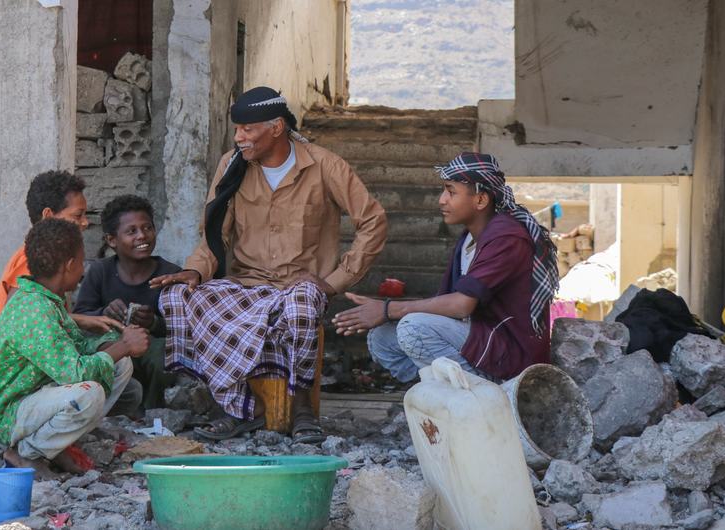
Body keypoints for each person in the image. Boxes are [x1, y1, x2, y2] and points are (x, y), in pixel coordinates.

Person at [151, 86, 388, 443]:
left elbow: (373, 221)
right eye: (236, 130)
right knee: (178, 297)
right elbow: (216, 235)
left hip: (300, 287)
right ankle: (238, 406)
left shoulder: (325, 165)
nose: (239, 137)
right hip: (246, 285)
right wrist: (195, 271)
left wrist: (336, 280)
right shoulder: (232, 166)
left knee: (303, 302)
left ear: (276, 128)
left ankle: (302, 407)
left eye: (247, 129)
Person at [334, 152, 559, 383]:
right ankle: (441, 391)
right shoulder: (469, 238)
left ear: (481, 200)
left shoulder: (507, 237)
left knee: (412, 328)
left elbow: (461, 305)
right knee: (381, 337)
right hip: (478, 338)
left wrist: (387, 310)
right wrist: (387, 313)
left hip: (508, 353)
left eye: (451, 192)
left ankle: (485, 394)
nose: (442, 199)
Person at [0, 218, 150, 478]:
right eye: (81, 262)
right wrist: (124, 345)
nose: (83, 269)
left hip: (35, 396)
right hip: (9, 414)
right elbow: (75, 373)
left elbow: (78, 347)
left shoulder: (48, 300)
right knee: (89, 393)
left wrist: (114, 343)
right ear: (69, 265)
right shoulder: (33, 309)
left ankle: (57, 442)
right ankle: (27, 453)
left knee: (120, 365)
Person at [0, 170, 123, 379]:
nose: (85, 223)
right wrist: (81, 322)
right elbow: (23, 319)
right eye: (77, 215)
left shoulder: (40, 255)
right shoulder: (30, 260)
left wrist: (80, 320)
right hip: (6, 374)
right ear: (48, 216)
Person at [74, 195, 181, 411]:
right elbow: (80, 319)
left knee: (163, 355)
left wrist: (153, 324)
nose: (142, 236)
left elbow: (183, 328)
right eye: (131, 231)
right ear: (112, 240)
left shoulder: (170, 275)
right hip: (116, 351)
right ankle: (114, 409)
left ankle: (153, 412)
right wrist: (105, 313)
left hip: (153, 354)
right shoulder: (100, 272)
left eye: (147, 228)